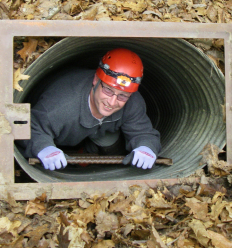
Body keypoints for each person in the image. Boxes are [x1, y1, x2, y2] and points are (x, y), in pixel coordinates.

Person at [18, 48, 161, 171]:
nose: (112, 102)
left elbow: (143, 132)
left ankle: (87, 152)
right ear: (95, 80)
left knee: (109, 142)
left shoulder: (133, 102)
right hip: (60, 128)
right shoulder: (62, 105)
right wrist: (43, 147)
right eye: (108, 91)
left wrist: (147, 147)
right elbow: (30, 125)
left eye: (122, 96)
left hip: (97, 131)